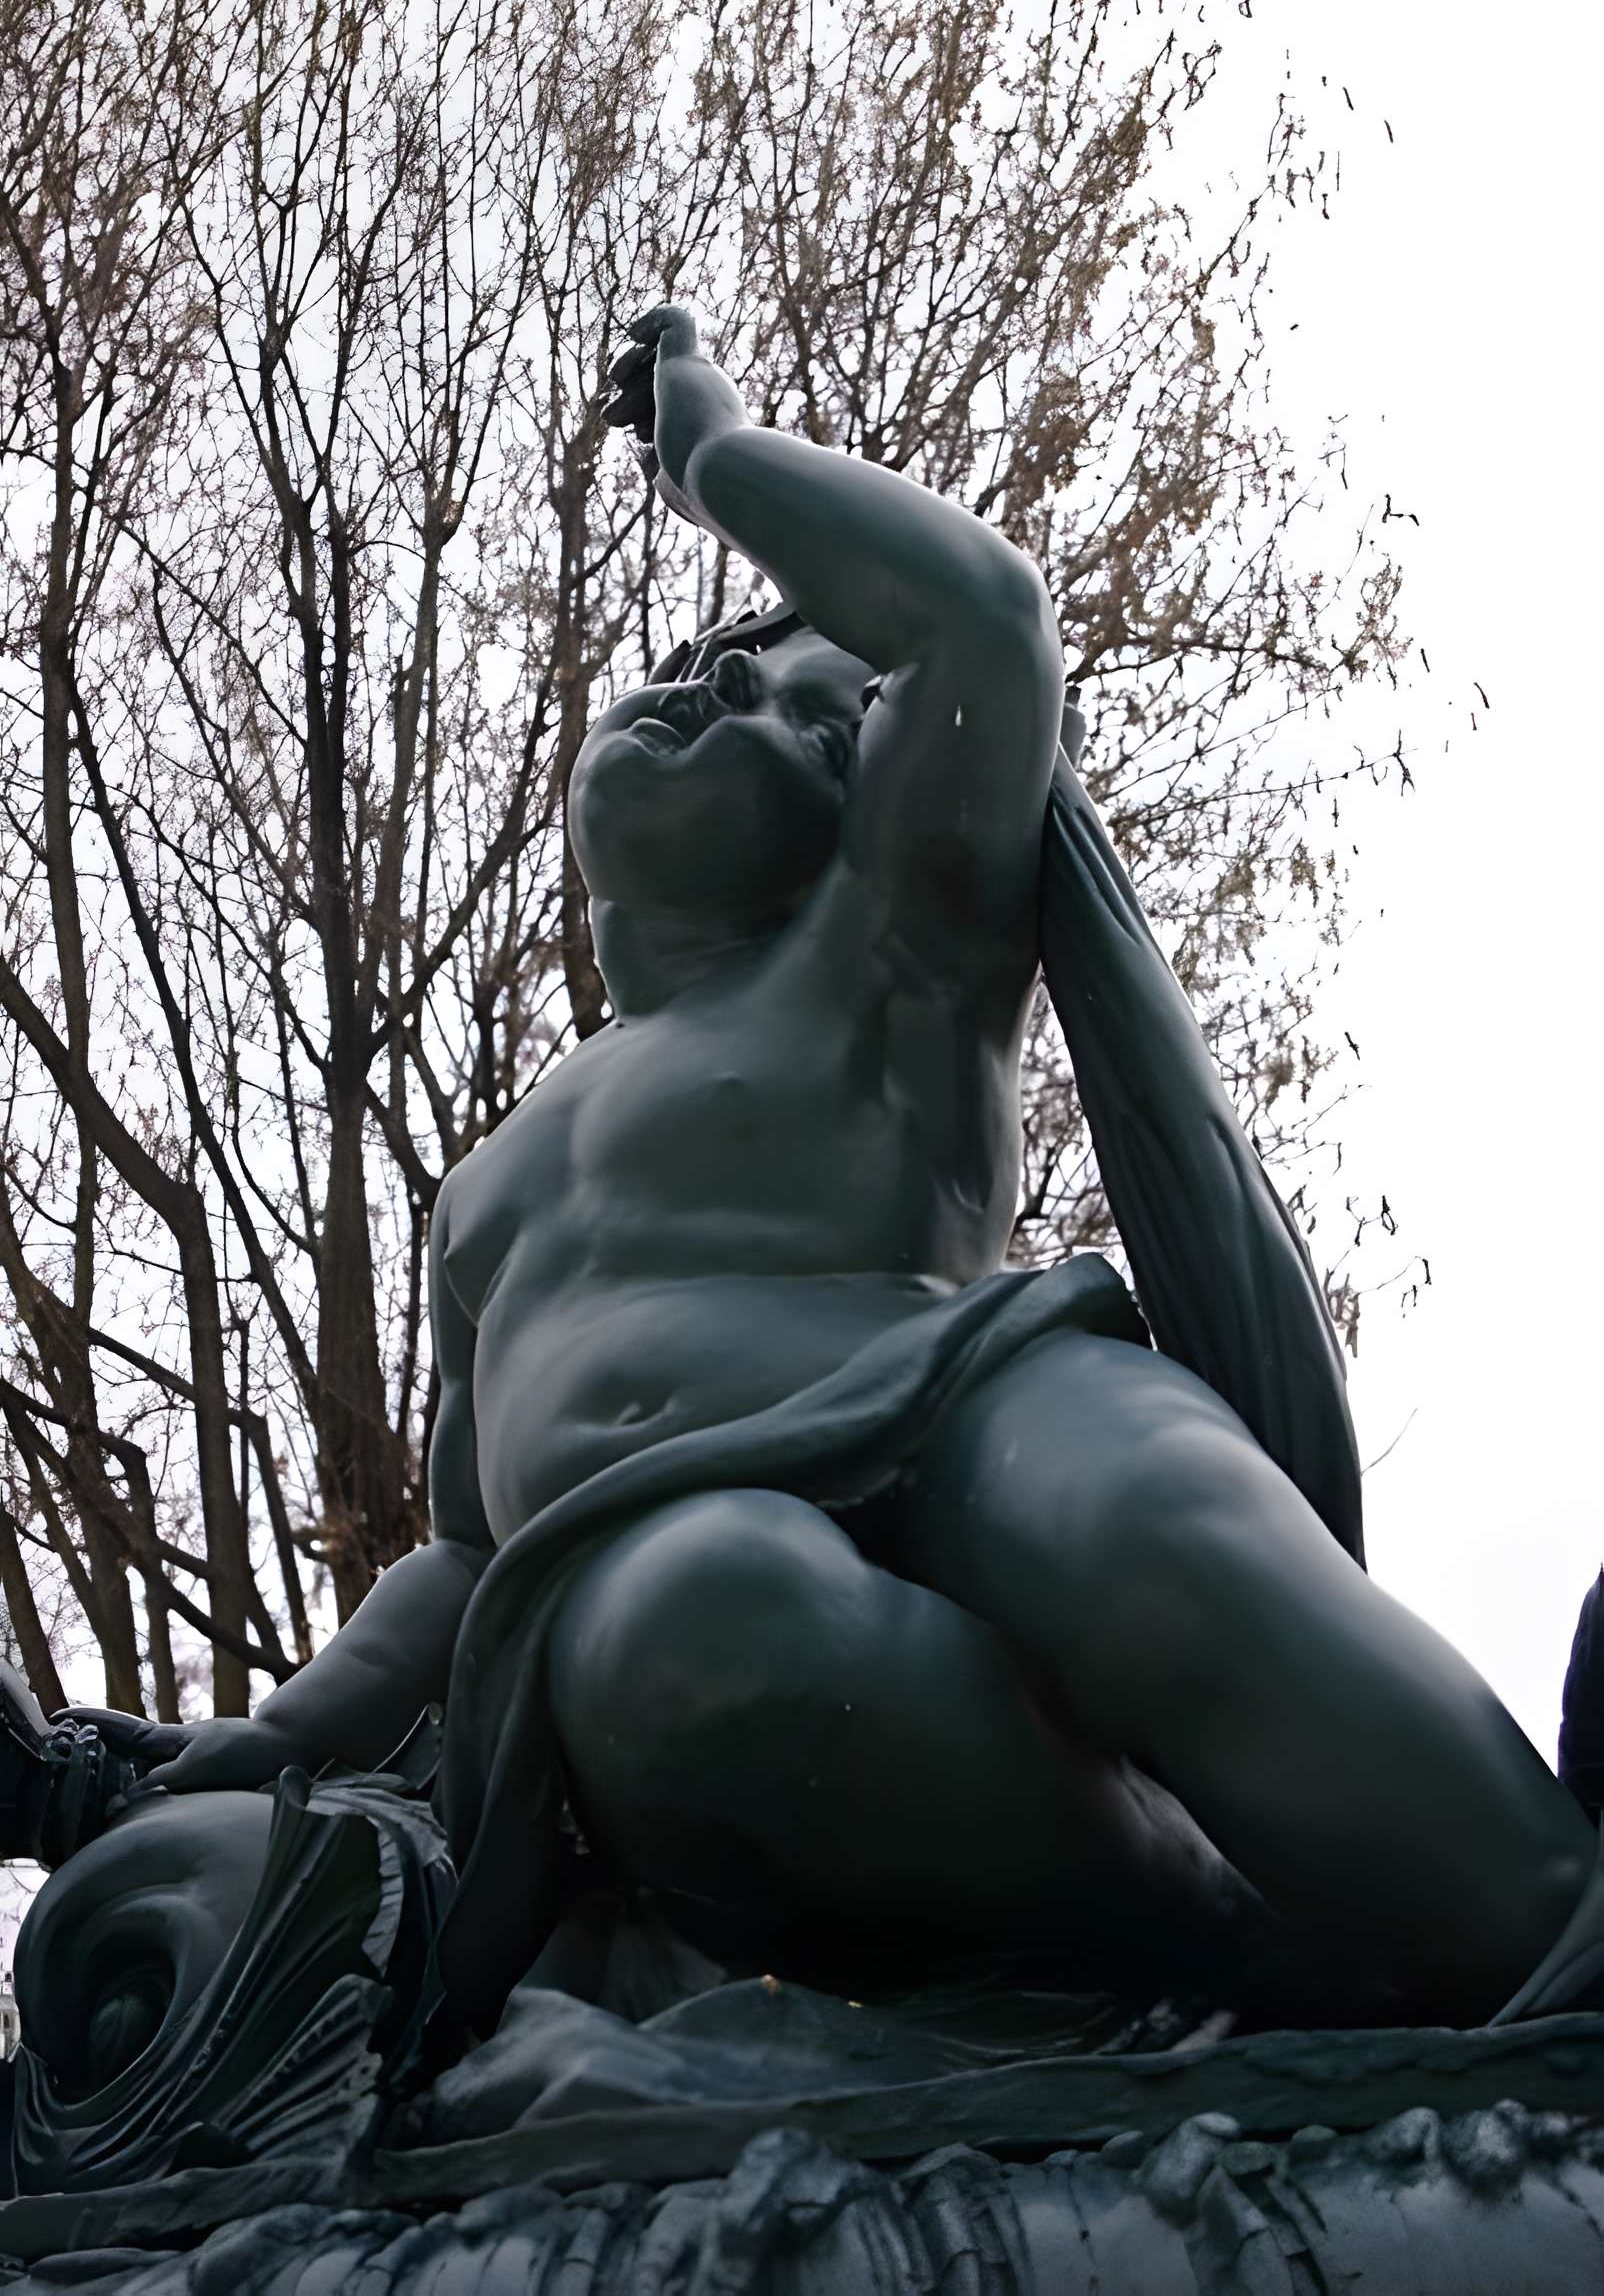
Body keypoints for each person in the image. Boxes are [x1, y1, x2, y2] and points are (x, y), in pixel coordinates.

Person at [11, 308, 1599, 2038]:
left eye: (805, 707)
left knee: (1137, 1510)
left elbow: (983, 619)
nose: (719, 676)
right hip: (666, 1558)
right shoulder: (482, 1194)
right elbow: (471, 1557)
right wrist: (293, 1730)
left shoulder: (886, 944)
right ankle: (1222, 1930)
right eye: (718, 659)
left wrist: (710, 449)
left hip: (964, 1400)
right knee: (683, 1635)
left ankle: (1542, 1912)